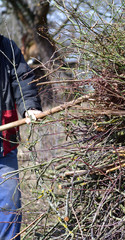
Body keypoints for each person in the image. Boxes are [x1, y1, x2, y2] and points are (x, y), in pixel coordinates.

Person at [0, 35, 42, 239]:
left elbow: (22, 80)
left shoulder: (6, 47)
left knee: (10, 201)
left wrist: (30, 107)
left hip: (3, 143)